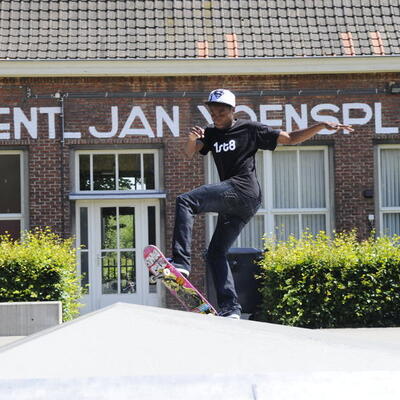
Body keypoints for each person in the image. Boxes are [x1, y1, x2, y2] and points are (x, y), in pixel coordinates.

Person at [171, 88, 353, 319]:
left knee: (185, 201)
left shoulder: (250, 129)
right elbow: (190, 153)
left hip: (243, 189)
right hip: (238, 203)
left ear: (232, 111)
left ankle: (180, 262)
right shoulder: (210, 134)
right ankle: (231, 309)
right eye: (213, 111)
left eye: (221, 111)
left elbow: (290, 138)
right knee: (216, 252)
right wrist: (191, 140)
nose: (216, 115)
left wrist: (319, 126)